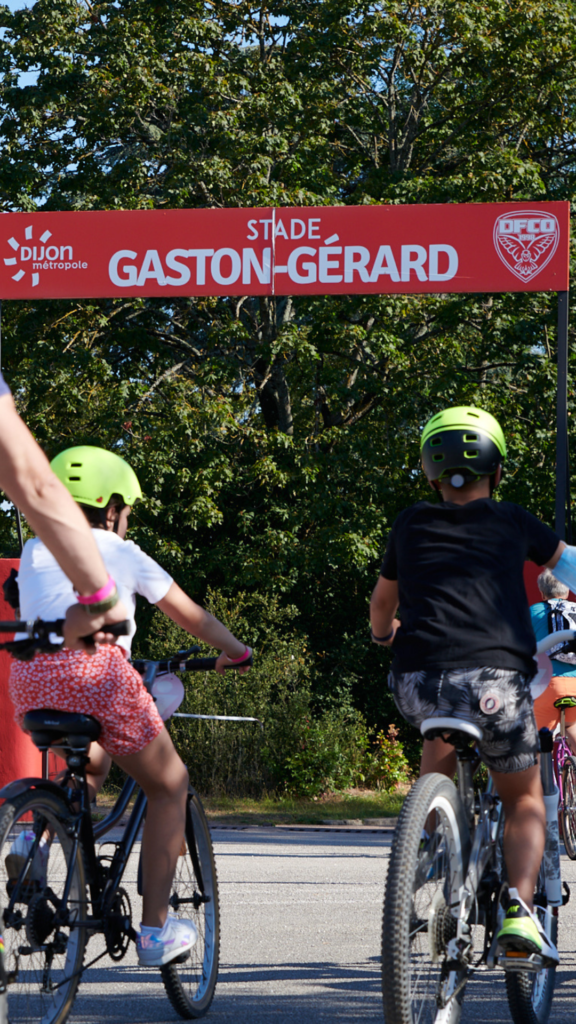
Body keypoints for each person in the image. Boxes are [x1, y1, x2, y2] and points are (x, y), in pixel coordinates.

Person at [8, 445, 252, 968]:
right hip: (97, 675)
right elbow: (192, 617)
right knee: (169, 785)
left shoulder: (34, 550)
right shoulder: (123, 552)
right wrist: (236, 652)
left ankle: (35, 837)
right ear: (112, 506)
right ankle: (155, 933)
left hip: (28, 679)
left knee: (89, 765)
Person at [369, 406, 569, 964]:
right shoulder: (512, 521)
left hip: (419, 684)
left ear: (432, 474)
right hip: (497, 686)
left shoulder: (410, 523)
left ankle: (430, 848)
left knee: (442, 734)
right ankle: (520, 913)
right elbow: (567, 567)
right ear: (496, 471)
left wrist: (384, 634)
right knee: (526, 797)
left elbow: (383, 606)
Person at [0, 374, 126, 647]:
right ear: (113, 512)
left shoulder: (33, 548)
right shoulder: (123, 550)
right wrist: (100, 598)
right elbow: (37, 486)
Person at [531, 568, 576, 751]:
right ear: (567, 591)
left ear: (542, 593)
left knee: (535, 738)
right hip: (575, 686)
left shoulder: (534, 611)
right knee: (572, 726)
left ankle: (538, 778)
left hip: (546, 686)